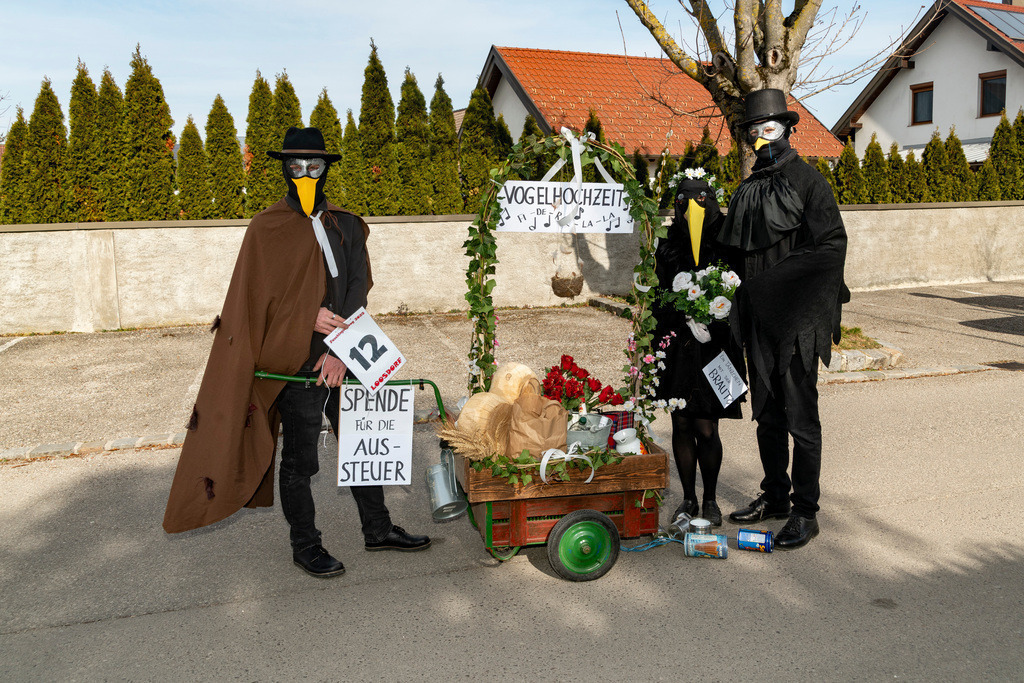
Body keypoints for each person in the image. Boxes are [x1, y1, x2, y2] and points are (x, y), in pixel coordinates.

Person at [163, 127, 430, 576]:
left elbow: (356, 290)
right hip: (295, 362)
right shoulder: (266, 228)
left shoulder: (346, 224)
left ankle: (378, 529)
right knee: (300, 460)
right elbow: (254, 302)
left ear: (327, 169)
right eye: (296, 166)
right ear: (284, 169)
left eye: (314, 165)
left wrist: (340, 351)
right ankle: (305, 544)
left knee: (363, 446)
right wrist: (307, 317)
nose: (305, 173)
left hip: (348, 355)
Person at [717, 89, 850, 549]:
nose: (761, 136)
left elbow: (832, 246)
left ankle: (805, 511)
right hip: (757, 321)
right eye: (754, 130)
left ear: (788, 129)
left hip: (796, 321)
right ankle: (775, 495)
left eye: (769, 127)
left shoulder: (809, 181)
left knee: (800, 418)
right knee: (767, 415)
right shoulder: (748, 187)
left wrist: (774, 285)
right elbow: (734, 250)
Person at [652, 173, 746, 528]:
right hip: (677, 345)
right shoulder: (667, 244)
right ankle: (688, 498)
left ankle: (710, 500)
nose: (692, 206)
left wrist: (717, 318)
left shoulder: (726, 241)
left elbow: (738, 289)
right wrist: (680, 314)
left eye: (700, 199)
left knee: (706, 426)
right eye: (684, 200)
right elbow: (658, 294)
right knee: (680, 423)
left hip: (713, 347)